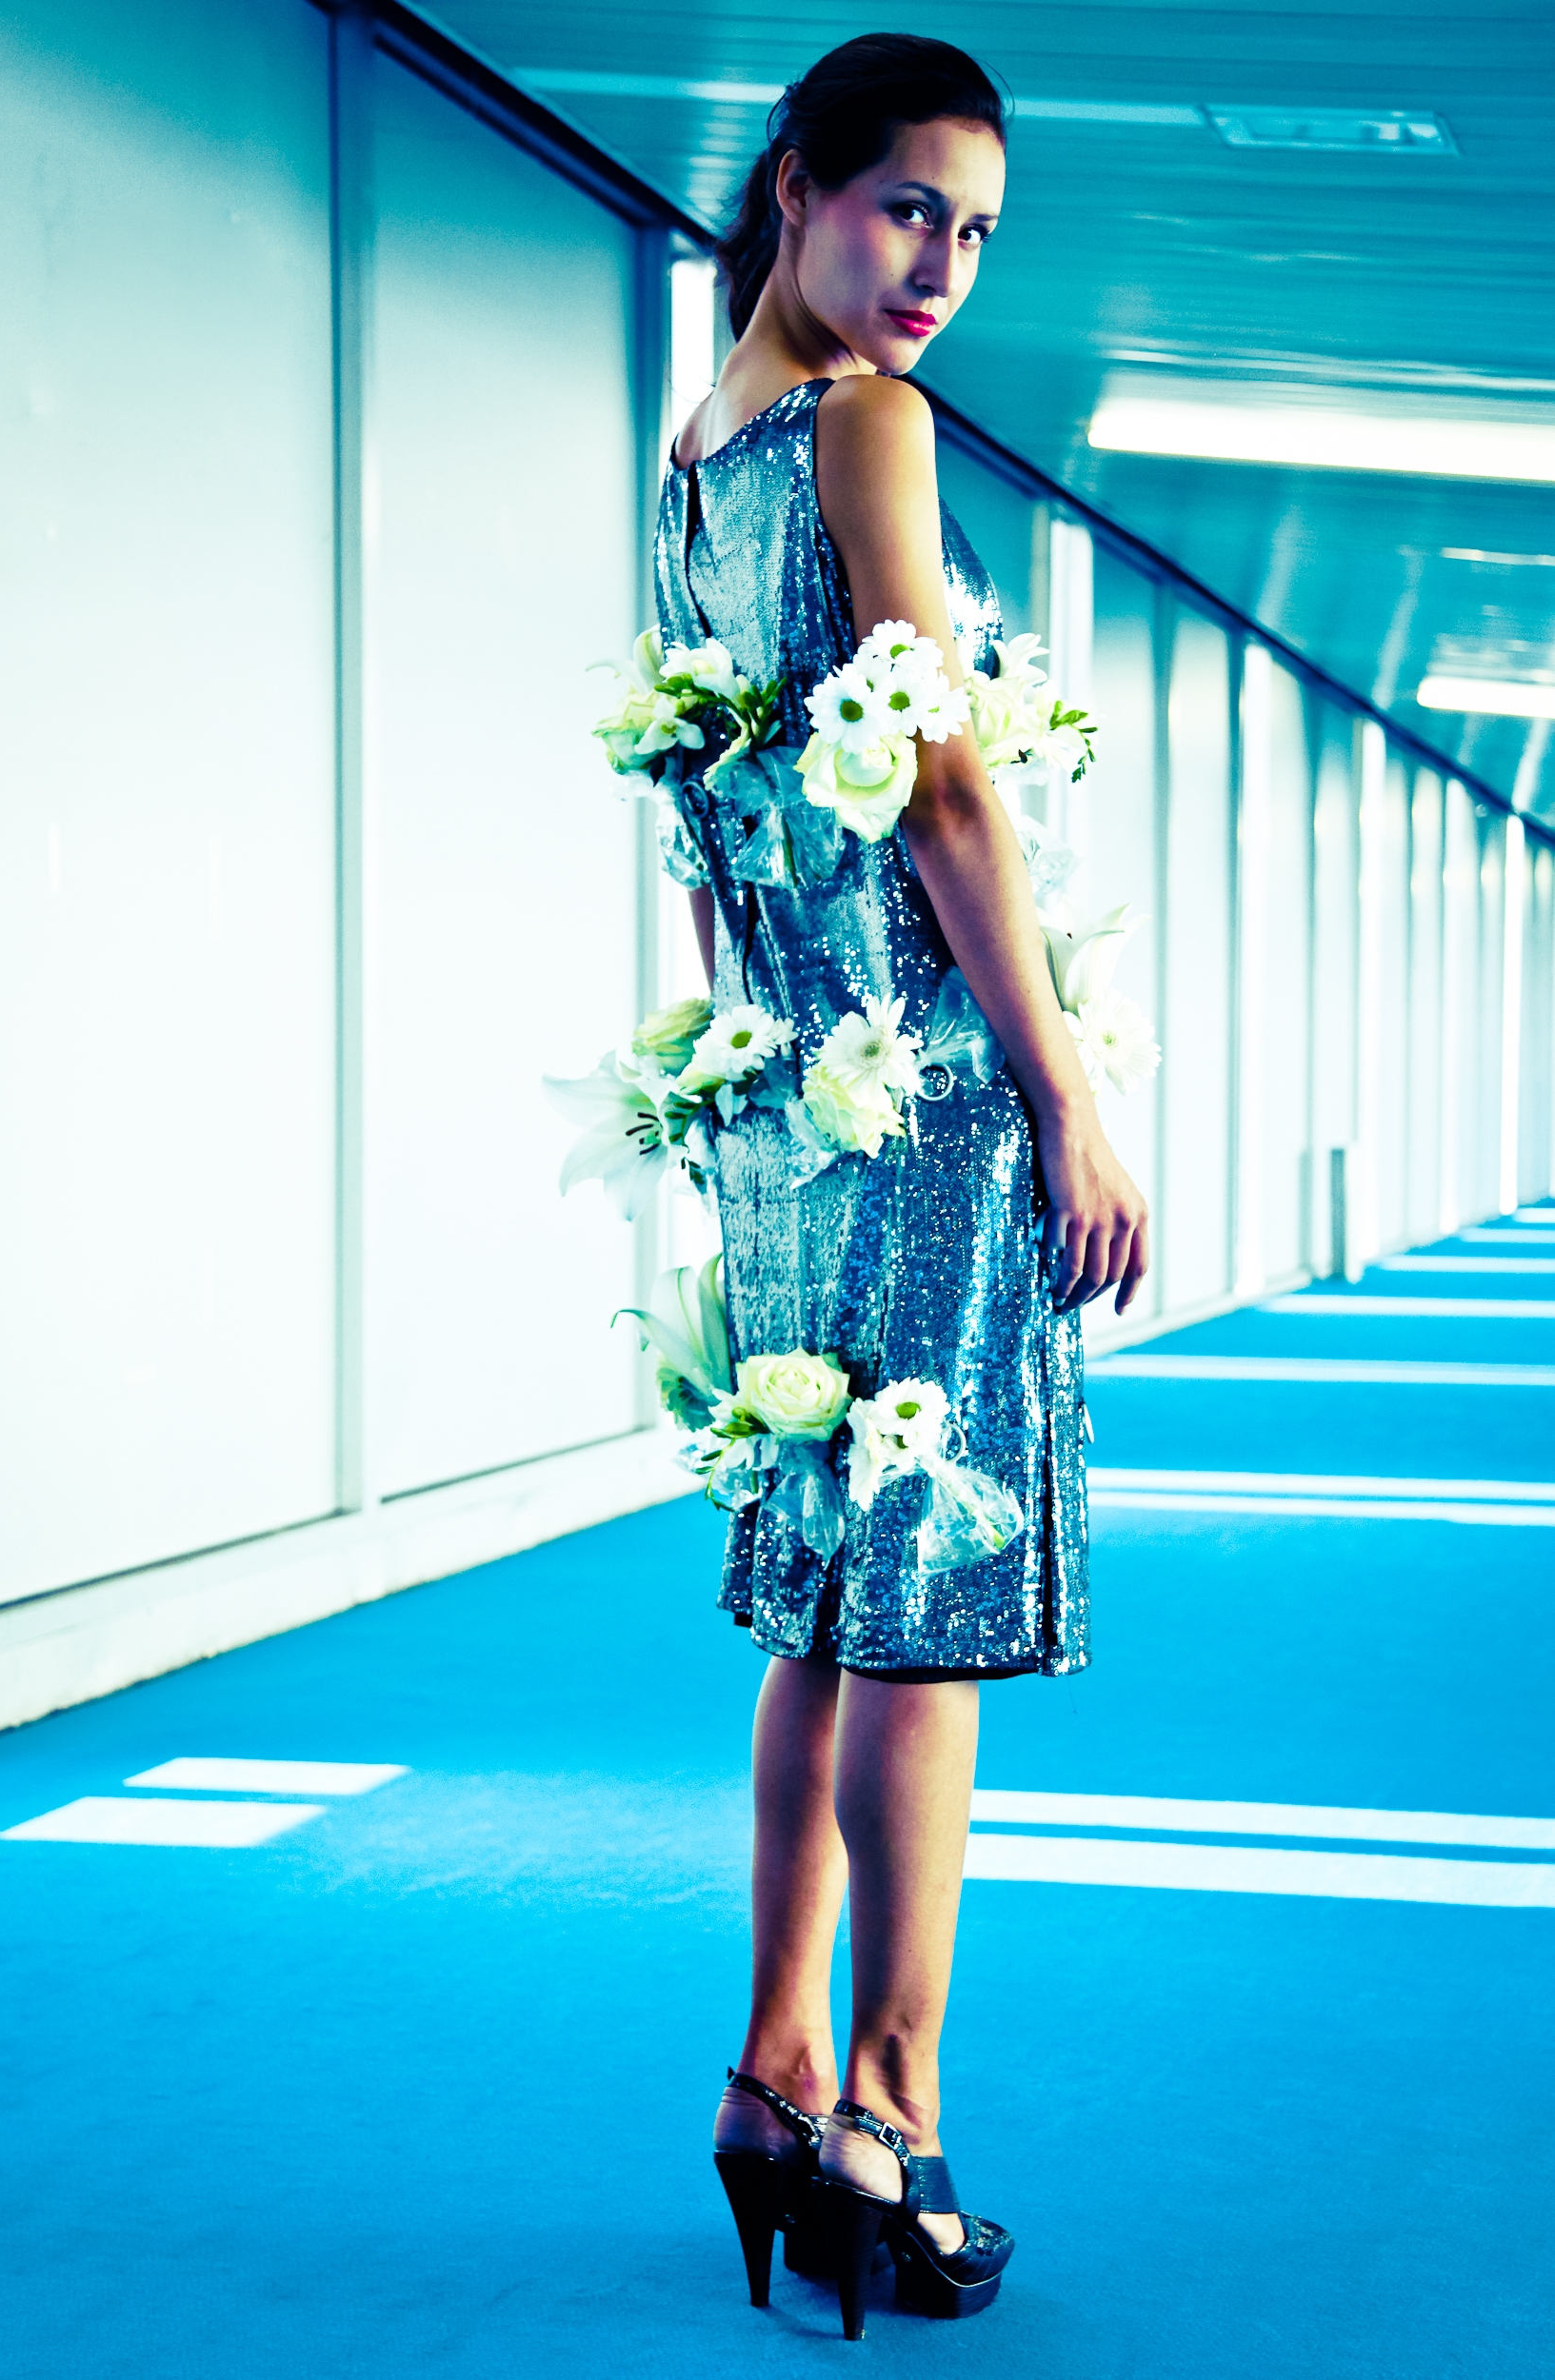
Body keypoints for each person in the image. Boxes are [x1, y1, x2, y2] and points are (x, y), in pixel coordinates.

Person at [653, 31, 1148, 2339]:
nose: (941, 264)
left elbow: (706, 816)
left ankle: (772, 2070)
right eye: (907, 208)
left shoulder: (694, 455)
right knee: (924, 1620)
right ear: (796, 186)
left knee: (827, 1606)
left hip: (791, 1100)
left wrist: (752, 1065)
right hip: (927, 1089)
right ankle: (887, 2106)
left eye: (976, 230)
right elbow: (945, 794)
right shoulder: (867, 426)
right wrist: (1067, 1093)